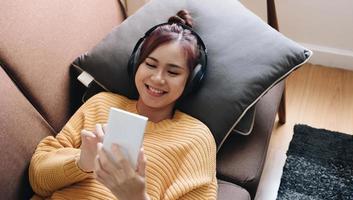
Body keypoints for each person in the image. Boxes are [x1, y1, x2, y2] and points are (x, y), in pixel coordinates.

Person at [29, 10, 217, 200]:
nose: (157, 78)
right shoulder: (101, 103)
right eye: (150, 65)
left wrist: (137, 197)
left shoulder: (197, 138)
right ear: (136, 63)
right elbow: (38, 180)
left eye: (173, 72)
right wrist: (81, 162)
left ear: (192, 80)